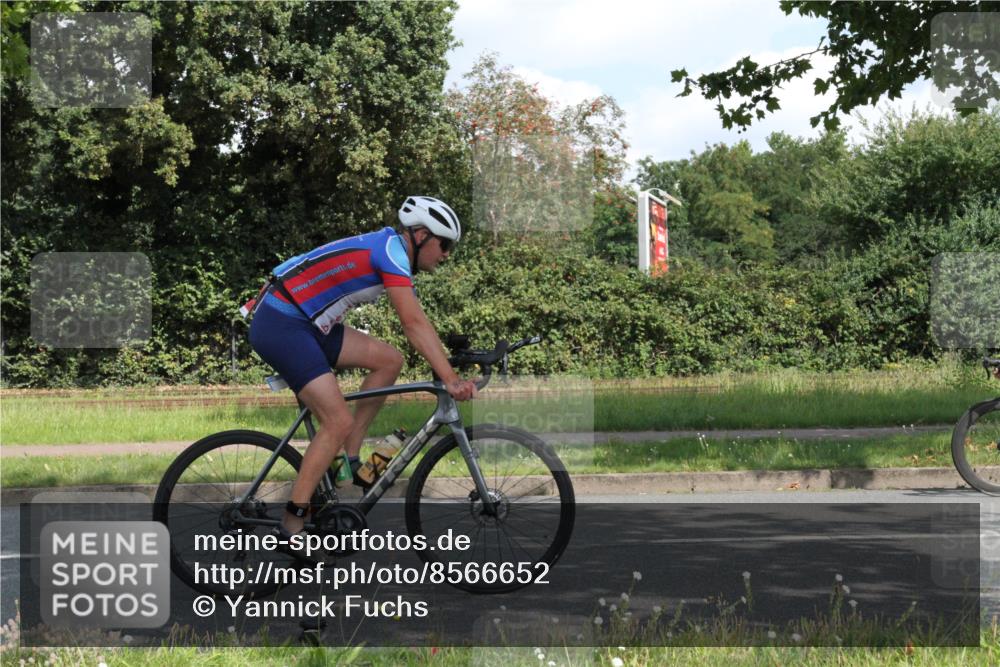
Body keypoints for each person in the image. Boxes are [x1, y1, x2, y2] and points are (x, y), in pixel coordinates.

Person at [245, 196, 478, 542]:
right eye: (444, 245)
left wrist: (449, 368)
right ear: (419, 235)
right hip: (282, 323)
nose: (445, 254)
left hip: (309, 323)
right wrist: (450, 379)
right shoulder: (391, 253)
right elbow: (413, 323)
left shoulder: (389, 248)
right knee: (336, 419)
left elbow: (417, 325)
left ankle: (349, 464)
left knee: (389, 360)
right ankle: (292, 523)